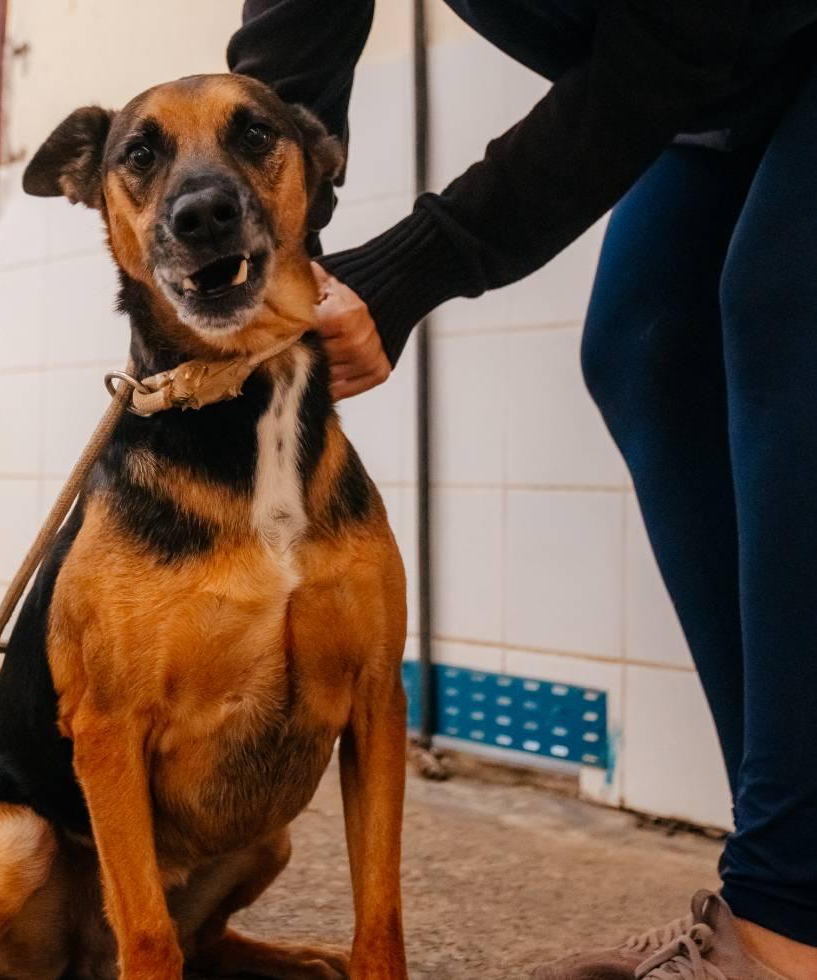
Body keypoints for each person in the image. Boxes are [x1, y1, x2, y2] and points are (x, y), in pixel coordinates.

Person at [228, 0, 817, 978]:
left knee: (783, 306)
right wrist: (269, 246)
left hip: (717, 37)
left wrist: (408, 270)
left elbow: (675, 38)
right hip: (730, 61)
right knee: (641, 346)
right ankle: (790, 866)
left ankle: (784, 926)